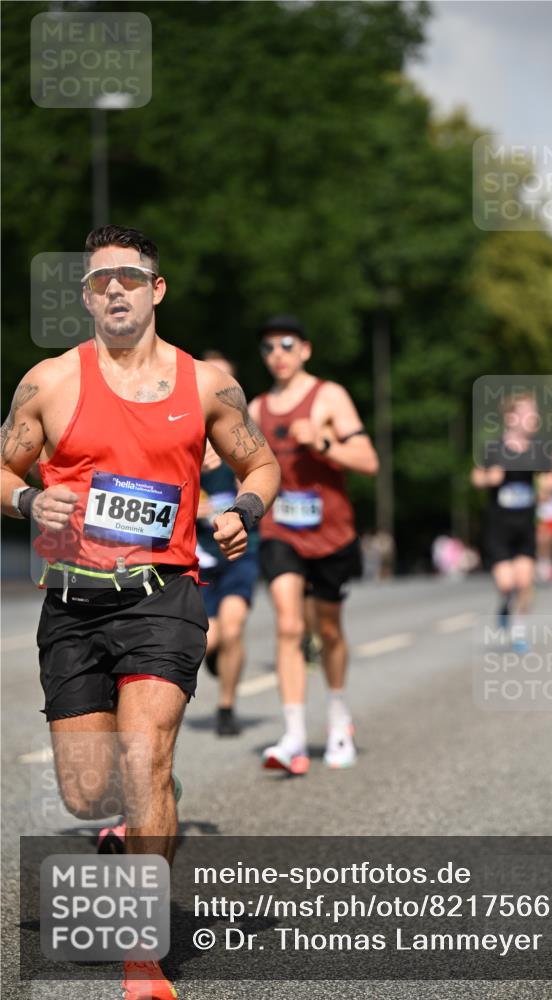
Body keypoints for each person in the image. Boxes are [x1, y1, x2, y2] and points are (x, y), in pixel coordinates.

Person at [0, 225, 279, 1000]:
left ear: (156, 289)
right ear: (87, 295)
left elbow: (259, 461)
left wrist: (245, 509)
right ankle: (145, 804)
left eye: (129, 277)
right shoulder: (50, 382)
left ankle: (141, 953)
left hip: (165, 595)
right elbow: (3, 467)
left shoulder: (205, 386)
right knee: (87, 793)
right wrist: (27, 501)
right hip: (73, 601)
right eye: (101, 281)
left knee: (144, 754)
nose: (115, 290)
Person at [248, 315, 378, 774]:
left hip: (331, 533)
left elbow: (368, 460)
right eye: (268, 348)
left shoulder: (329, 396)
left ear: (305, 350)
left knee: (328, 630)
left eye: (286, 344)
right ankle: (294, 736)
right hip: (280, 530)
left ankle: (339, 719)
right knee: (288, 625)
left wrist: (322, 442)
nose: (277, 355)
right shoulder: (257, 407)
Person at [196, 351, 262, 736]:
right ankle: (214, 653)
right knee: (208, 638)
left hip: (239, 553)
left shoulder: (245, 434)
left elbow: (262, 479)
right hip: (198, 556)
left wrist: (240, 472)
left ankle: (226, 707)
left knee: (233, 628)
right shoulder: (177, 431)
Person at [471, 392, 552, 651]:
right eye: (528, 412)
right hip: (499, 528)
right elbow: (475, 477)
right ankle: (505, 604)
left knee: (525, 583)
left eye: (535, 412)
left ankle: (519, 632)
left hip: (525, 527)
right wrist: (489, 478)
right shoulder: (494, 449)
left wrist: (549, 484)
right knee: (506, 583)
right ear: (510, 418)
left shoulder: (539, 449)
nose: (534, 417)